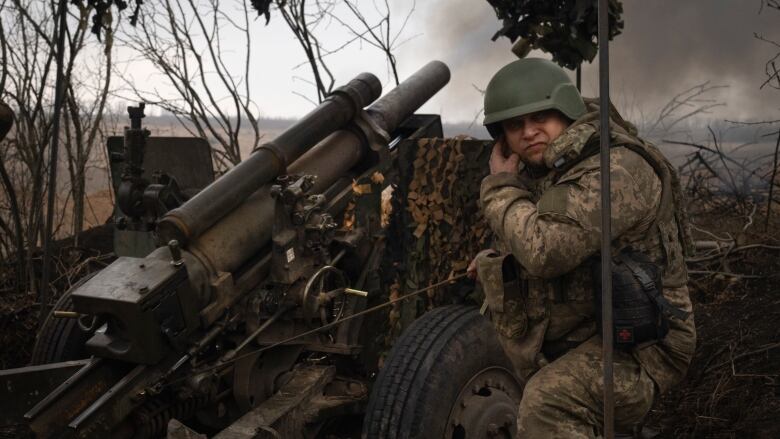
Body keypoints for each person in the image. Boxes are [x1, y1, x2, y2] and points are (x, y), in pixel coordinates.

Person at [467, 58, 696, 438]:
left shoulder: (615, 169)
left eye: (541, 116)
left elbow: (546, 251)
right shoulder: (549, 168)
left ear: (567, 112)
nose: (528, 132)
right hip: (592, 327)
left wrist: (502, 187)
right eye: (514, 125)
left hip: (645, 345)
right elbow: (539, 232)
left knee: (548, 403)